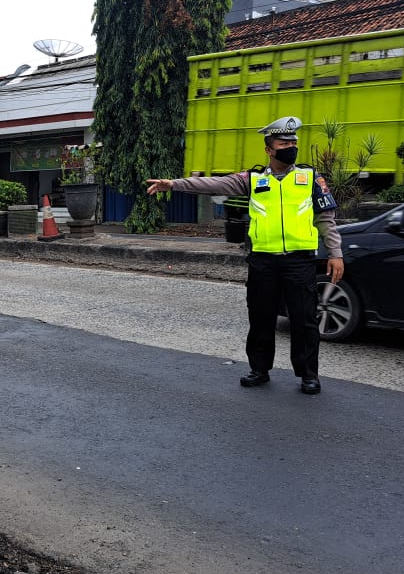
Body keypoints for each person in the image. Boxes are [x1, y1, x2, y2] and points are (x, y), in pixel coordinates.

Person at [146, 116, 344, 395]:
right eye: (284, 142)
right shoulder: (252, 179)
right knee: (261, 317)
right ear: (269, 149)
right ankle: (259, 369)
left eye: (293, 142)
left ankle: (308, 374)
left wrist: (335, 253)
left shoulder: (311, 177)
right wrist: (174, 184)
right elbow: (213, 184)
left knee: (304, 320)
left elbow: (326, 219)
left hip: (299, 261)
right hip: (263, 260)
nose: (290, 146)